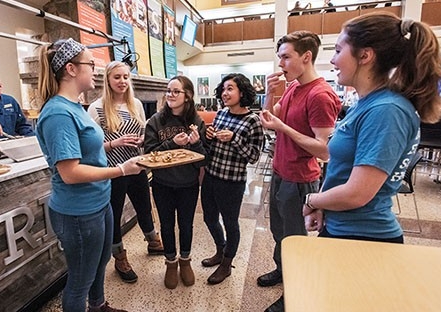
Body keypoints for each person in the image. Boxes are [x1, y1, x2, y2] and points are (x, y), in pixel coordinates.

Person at [302, 6, 441, 300]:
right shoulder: (371, 104)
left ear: (365, 55)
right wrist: (324, 206)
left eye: (339, 49)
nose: (332, 59)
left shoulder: (386, 110)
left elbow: (358, 193)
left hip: (363, 237)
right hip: (344, 228)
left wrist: (311, 199)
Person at [36, 38, 143, 312]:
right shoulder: (58, 113)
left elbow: (84, 151)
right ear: (71, 69)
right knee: (80, 280)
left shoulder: (74, 107)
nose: (94, 70)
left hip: (98, 202)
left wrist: (111, 145)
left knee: (100, 262)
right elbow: (70, 172)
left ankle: (98, 305)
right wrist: (121, 169)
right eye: (90, 64)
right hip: (78, 212)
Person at [258, 30, 341, 312]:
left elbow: (325, 150)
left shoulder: (320, 95)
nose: (280, 63)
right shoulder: (294, 86)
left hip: (300, 178)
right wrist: (269, 94)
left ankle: (293, 292)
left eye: (285, 57)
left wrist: (283, 129)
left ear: (306, 57)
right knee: (279, 231)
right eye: (279, 57)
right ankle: (283, 272)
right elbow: (270, 117)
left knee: (295, 239)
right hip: (281, 171)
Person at [88, 61, 163, 284]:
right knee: (114, 215)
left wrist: (142, 141)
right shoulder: (96, 108)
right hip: (112, 170)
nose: (122, 81)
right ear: (108, 81)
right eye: (117, 77)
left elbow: (142, 134)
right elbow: (90, 147)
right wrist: (115, 143)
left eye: (125, 77)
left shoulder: (136, 104)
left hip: (136, 167)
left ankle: (153, 241)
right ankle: (119, 256)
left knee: (144, 207)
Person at [143, 75, 208, 289]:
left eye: (175, 91)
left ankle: (185, 261)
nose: (170, 95)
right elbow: (149, 155)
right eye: (168, 91)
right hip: (162, 185)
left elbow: (204, 158)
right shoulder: (155, 121)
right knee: (167, 226)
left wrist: (197, 145)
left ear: (187, 96)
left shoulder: (196, 123)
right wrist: (171, 143)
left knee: (187, 225)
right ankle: (171, 263)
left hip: (188, 185)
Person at [200, 73, 264, 285]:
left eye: (230, 89)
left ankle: (226, 264)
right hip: (210, 176)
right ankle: (221, 249)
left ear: (242, 92)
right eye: (224, 89)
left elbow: (254, 156)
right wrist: (209, 137)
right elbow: (213, 148)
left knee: (230, 222)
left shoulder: (253, 120)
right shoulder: (221, 114)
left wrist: (234, 138)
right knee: (209, 218)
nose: (225, 93)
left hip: (232, 181)